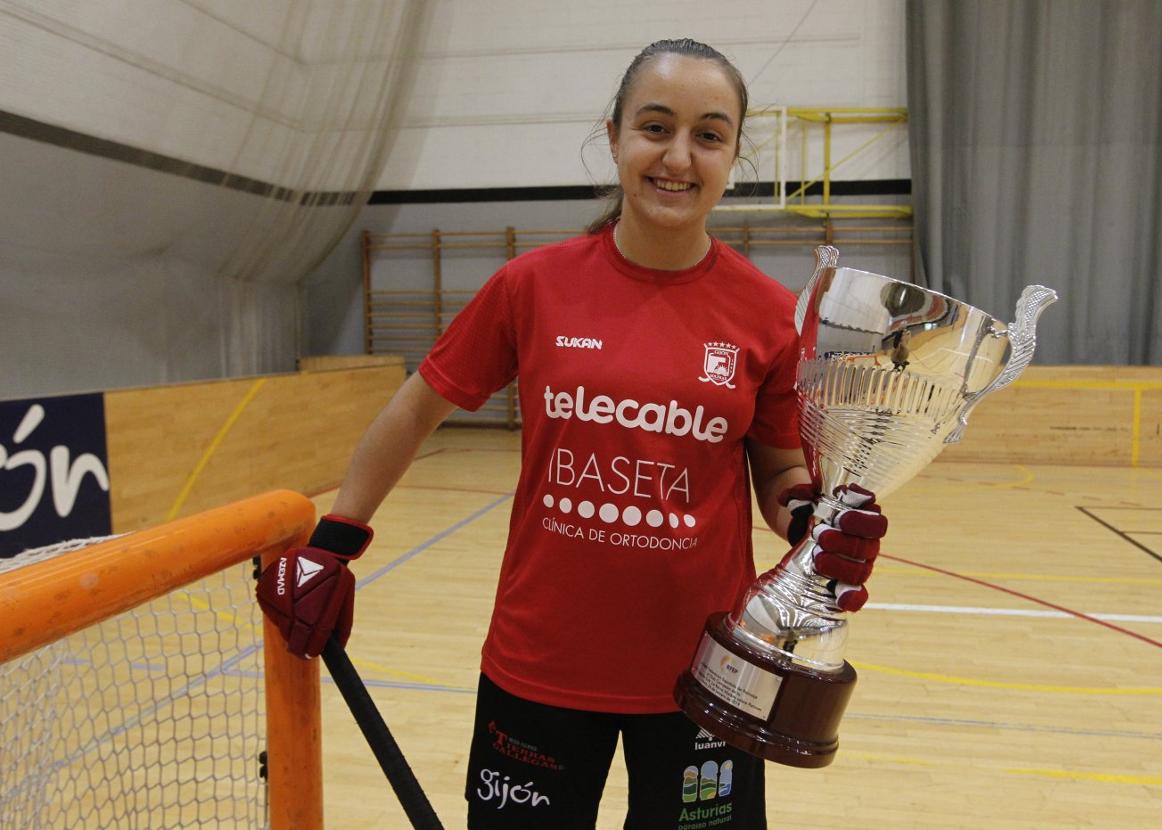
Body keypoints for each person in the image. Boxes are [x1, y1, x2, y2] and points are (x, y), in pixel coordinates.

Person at [257, 38, 887, 830]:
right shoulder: (533, 286)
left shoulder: (766, 312)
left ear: (732, 156)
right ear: (615, 136)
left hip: (709, 676)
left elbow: (780, 467)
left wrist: (810, 524)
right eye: (655, 127)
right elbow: (414, 407)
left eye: (709, 134)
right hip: (540, 668)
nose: (678, 157)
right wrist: (335, 540)